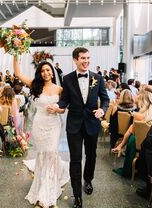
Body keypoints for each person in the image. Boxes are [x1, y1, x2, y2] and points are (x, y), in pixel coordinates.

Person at [49, 47, 109, 208]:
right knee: (75, 159)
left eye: (88, 58)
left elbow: (105, 99)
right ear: (75, 60)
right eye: (83, 58)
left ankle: (88, 179)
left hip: (92, 123)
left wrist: (102, 109)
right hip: (74, 125)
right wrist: (57, 105)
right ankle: (77, 195)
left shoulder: (98, 78)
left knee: (91, 155)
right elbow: (64, 100)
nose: (86, 61)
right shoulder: (67, 79)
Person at [13, 57, 69, 208]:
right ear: (40, 73)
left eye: (48, 70)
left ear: (52, 72)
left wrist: (57, 109)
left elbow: (64, 108)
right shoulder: (35, 85)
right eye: (43, 71)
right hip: (39, 123)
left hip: (53, 125)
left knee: (51, 152)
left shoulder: (60, 89)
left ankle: (48, 188)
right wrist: (16, 52)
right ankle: (42, 182)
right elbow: (17, 73)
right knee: (42, 153)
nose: (45, 73)